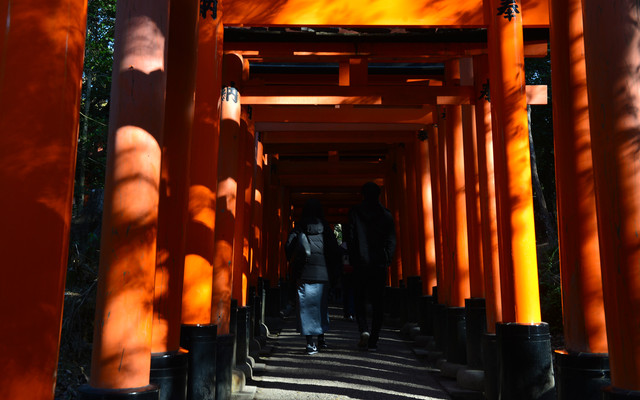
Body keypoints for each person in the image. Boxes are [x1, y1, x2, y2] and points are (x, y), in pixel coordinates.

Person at [285, 198, 340, 355]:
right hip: (323, 275)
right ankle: (321, 338)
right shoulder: (327, 229)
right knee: (321, 306)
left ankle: (310, 343)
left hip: (304, 273)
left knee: (306, 308)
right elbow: (334, 252)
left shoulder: (299, 227)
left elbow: (288, 247)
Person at [347, 182, 396, 351]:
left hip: (361, 263)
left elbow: (350, 238)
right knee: (378, 303)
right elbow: (391, 241)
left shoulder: (355, 213)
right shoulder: (386, 215)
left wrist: (354, 259)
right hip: (378, 264)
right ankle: (374, 339)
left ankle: (363, 329)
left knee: (359, 299)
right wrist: (386, 259)